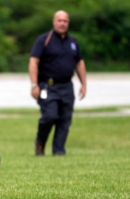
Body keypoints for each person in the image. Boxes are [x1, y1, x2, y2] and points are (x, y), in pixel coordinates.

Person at [28, 10, 87, 156]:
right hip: (47, 86)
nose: (62, 23)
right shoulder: (44, 40)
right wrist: (34, 85)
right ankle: (40, 143)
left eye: (65, 21)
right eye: (59, 20)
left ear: (68, 23)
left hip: (67, 86)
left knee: (65, 119)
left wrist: (84, 84)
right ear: (54, 22)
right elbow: (33, 61)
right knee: (50, 116)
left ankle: (59, 151)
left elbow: (79, 63)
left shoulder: (73, 42)